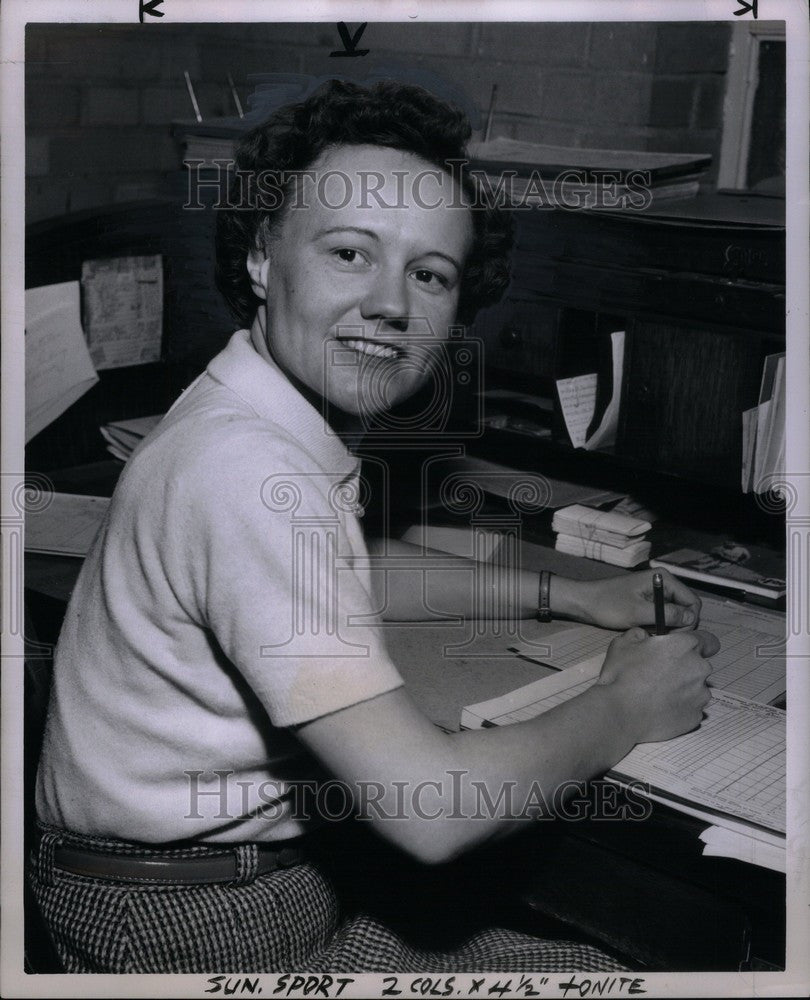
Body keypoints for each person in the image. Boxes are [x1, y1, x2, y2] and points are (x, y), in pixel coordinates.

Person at [31, 79, 718, 975]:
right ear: (262, 259)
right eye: (351, 253)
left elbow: (350, 574)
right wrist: (625, 703)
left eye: (429, 273)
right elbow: (430, 810)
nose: (392, 303)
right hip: (186, 921)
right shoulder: (250, 470)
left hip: (201, 883)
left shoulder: (245, 411)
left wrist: (572, 593)